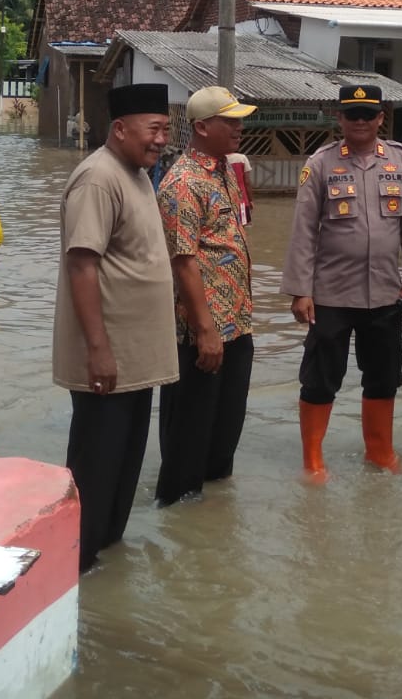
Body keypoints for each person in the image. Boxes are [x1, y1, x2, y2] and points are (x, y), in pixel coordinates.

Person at [53, 82, 178, 572]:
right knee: (96, 466)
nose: (162, 139)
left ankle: (105, 558)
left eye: (167, 129)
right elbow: (83, 266)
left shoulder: (138, 173)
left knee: (124, 467)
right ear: (120, 129)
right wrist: (98, 349)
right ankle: (74, 564)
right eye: (154, 129)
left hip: (137, 358)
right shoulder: (98, 179)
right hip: (108, 357)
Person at [283, 85, 402, 479]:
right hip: (330, 293)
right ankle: (312, 459)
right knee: (320, 377)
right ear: (339, 118)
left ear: (381, 117)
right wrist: (301, 290)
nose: (360, 121)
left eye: (368, 114)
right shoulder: (321, 163)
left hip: (385, 292)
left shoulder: (401, 161)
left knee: (384, 375)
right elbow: (303, 231)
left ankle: (380, 453)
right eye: (352, 114)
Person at [155, 86, 258, 506]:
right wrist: (205, 330)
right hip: (204, 329)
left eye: (239, 119)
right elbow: (183, 262)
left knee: (225, 430)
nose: (239, 127)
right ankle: (178, 516)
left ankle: (213, 527)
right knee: (190, 433)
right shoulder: (182, 182)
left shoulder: (223, 171)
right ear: (202, 126)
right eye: (230, 120)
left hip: (237, 323)